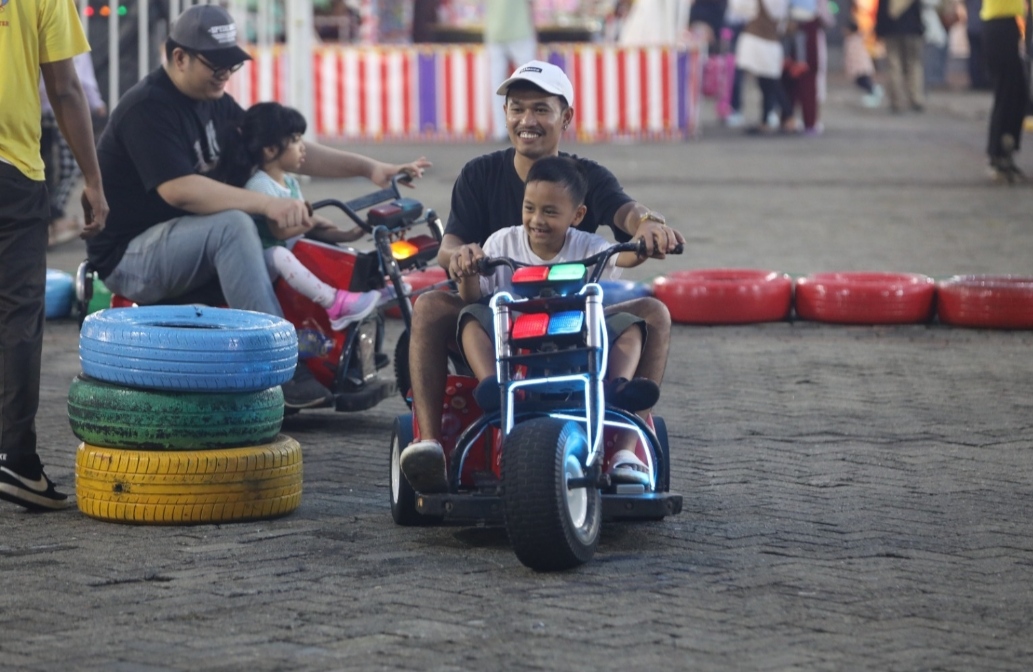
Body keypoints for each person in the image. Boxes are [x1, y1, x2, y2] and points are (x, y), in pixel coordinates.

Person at [86, 4, 430, 409]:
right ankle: (281, 371)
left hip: (183, 240)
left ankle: (327, 347)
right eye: (215, 65)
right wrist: (266, 204)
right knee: (234, 224)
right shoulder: (148, 108)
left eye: (231, 65)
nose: (225, 74)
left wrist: (370, 168)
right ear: (178, 57)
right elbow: (178, 190)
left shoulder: (214, 100)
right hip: (131, 257)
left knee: (274, 227)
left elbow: (281, 146)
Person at [398, 60, 684, 492]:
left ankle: (626, 443)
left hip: (572, 321)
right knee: (431, 305)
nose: (526, 121)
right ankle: (431, 444)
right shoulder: (481, 177)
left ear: (565, 117)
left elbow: (626, 217)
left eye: (540, 109)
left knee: (654, 312)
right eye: (516, 109)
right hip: (498, 317)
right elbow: (450, 246)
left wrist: (648, 226)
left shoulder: (584, 179)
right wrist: (462, 258)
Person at [0, 0, 109, 510]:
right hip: (13, 172)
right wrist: (92, 178)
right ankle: (17, 460)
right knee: (18, 313)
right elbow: (64, 88)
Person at [212, 102, 380, 329]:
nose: (303, 148)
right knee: (282, 254)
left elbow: (303, 228)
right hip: (258, 260)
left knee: (314, 246)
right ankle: (334, 303)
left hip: (285, 247)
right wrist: (310, 220)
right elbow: (279, 230)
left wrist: (349, 233)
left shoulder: (289, 182)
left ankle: (375, 289)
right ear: (270, 150)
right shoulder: (259, 185)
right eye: (295, 140)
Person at [40, 51, 107, 247]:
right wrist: (94, 181)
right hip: (56, 109)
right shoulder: (66, 32)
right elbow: (70, 86)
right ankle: (53, 210)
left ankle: (51, 212)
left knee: (48, 165)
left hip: (38, 108)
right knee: (66, 165)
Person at [980, 0, 1028, 182]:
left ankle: (1007, 150)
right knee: (1006, 93)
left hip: (1010, 25)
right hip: (999, 25)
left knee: (1018, 93)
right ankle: (996, 154)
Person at [735, 0, 793, 133]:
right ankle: (766, 120)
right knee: (767, 84)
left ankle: (788, 116)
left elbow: (739, 9)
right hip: (769, 44)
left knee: (771, 84)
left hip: (761, 44)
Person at [484, 0, 537, 142]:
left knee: (497, 85)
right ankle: (533, 124)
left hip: (495, 31)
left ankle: (500, 130)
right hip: (520, 30)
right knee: (531, 81)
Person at [875, 0, 926, 114]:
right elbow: (919, 11)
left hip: (892, 31)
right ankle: (916, 98)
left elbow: (882, 11)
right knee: (914, 65)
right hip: (912, 31)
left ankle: (897, 101)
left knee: (894, 66)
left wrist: (879, 31)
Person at [843, 18, 885, 108]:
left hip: (860, 67)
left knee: (863, 82)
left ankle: (874, 91)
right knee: (862, 82)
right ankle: (874, 90)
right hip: (861, 67)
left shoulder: (853, 41)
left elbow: (851, 56)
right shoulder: (855, 39)